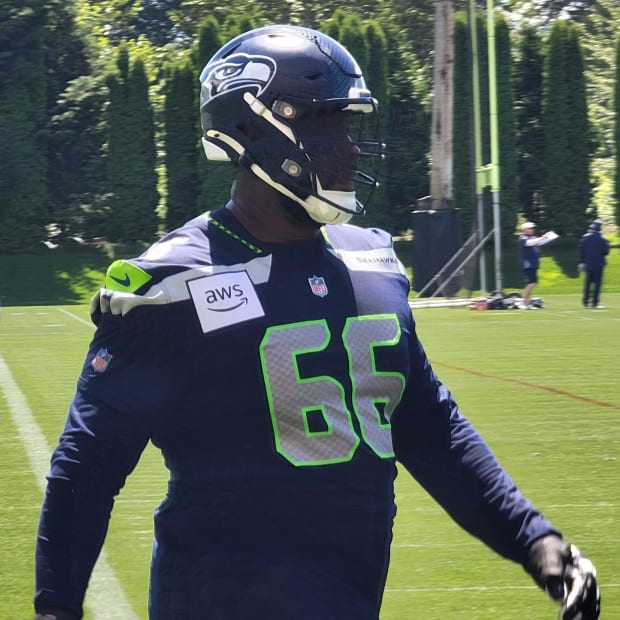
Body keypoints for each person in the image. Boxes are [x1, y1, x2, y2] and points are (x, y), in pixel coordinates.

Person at [34, 25, 600, 620]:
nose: (349, 147)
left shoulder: (373, 259)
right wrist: (56, 609)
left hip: (351, 596)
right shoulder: (174, 284)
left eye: (348, 125)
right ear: (249, 130)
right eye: (323, 124)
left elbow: (430, 427)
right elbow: (86, 469)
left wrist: (538, 543)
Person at [517, 221, 557, 309]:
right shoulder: (522, 237)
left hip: (533, 263)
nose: (532, 230)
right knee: (532, 282)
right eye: (530, 228)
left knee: (531, 282)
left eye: (532, 228)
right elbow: (531, 243)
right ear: (524, 229)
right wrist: (543, 237)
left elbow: (539, 242)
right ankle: (524, 302)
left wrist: (550, 237)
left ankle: (527, 302)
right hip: (528, 263)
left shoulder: (532, 237)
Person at [579, 219, 610, 309]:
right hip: (599, 264)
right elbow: (606, 252)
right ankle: (594, 303)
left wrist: (582, 261)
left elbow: (581, 251)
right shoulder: (603, 239)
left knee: (587, 283)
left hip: (588, 264)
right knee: (597, 284)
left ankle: (585, 302)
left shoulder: (585, 238)